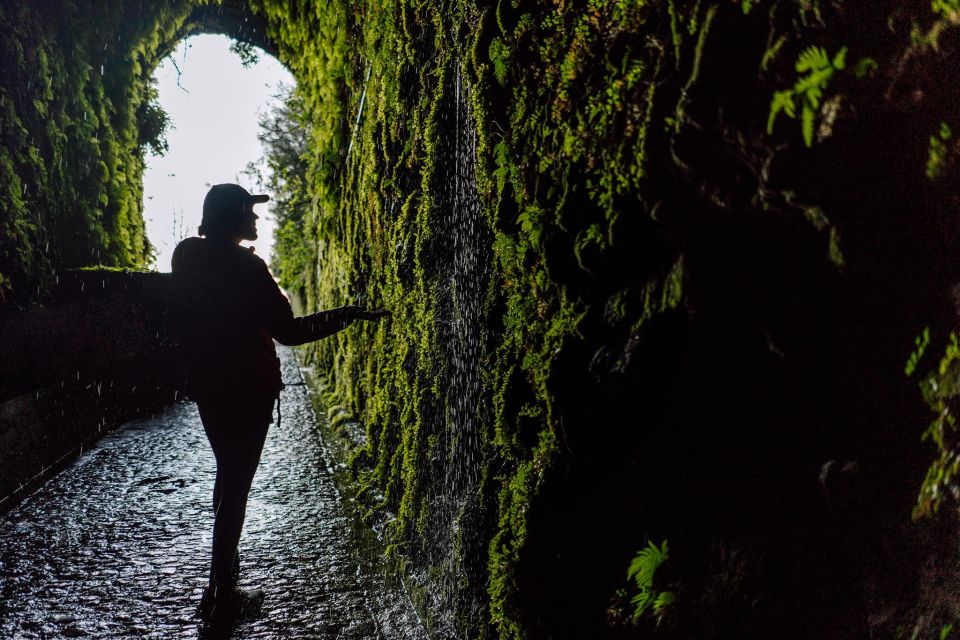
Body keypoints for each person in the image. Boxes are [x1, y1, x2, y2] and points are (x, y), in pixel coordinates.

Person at [169, 183, 388, 620]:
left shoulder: (186, 257)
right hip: (249, 390)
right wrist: (346, 315)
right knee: (236, 486)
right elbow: (289, 332)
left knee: (227, 478)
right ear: (232, 217)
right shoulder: (249, 269)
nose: (256, 219)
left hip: (210, 386)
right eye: (249, 212)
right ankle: (221, 595)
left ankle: (222, 586)